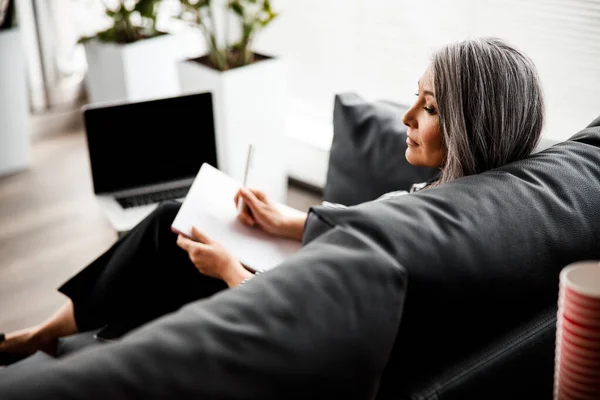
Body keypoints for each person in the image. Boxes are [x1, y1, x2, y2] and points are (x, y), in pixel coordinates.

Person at [0, 37, 544, 364]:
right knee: (181, 218)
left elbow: (315, 325)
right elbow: (370, 227)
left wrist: (229, 269)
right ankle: (54, 331)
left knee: (180, 229)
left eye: (427, 108)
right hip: (320, 269)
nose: (405, 118)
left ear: (472, 128)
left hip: (295, 300)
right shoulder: (469, 199)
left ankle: (53, 336)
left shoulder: (430, 223)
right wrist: (287, 219)